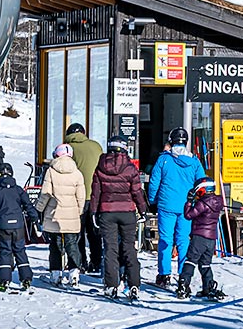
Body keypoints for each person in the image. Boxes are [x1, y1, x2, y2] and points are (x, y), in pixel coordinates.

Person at [148, 127, 206, 288]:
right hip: (187, 207)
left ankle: (164, 274)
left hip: (166, 205)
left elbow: (154, 181)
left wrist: (152, 201)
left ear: (171, 141)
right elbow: (202, 183)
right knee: (183, 240)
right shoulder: (194, 161)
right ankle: (184, 276)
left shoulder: (164, 159)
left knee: (165, 240)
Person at [91, 135, 148, 300]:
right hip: (127, 213)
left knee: (110, 249)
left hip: (107, 212)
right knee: (129, 248)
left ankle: (111, 285)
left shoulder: (100, 166)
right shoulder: (130, 168)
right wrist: (143, 210)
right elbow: (137, 192)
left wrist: (93, 212)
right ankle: (134, 284)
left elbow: (95, 193)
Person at [0, 162, 40, 291]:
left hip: (4, 225)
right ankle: (26, 278)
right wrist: (35, 220)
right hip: (18, 225)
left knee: (5, 251)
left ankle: (4, 280)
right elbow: (28, 205)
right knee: (20, 250)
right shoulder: (18, 189)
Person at [39, 142, 86, 287]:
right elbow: (81, 197)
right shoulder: (77, 173)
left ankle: (56, 274)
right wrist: (78, 211)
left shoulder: (51, 171)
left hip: (54, 215)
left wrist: (39, 209)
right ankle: (74, 273)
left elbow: (45, 194)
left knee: (55, 245)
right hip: (71, 214)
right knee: (72, 244)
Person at [178, 177, 226, 299]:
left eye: (199, 192)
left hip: (199, 237)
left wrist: (189, 202)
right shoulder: (218, 201)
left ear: (203, 190)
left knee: (191, 261)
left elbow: (188, 215)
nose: (198, 195)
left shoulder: (202, 203)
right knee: (205, 264)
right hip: (211, 238)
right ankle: (208, 288)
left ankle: (183, 285)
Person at [65, 123, 104, 273]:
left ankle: (80, 262)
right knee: (94, 232)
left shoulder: (68, 148)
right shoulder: (96, 146)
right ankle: (96, 262)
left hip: (76, 197)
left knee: (78, 232)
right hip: (95, 195)